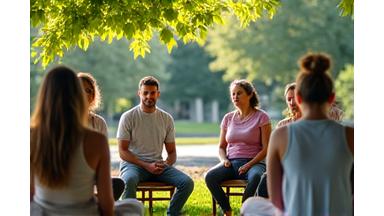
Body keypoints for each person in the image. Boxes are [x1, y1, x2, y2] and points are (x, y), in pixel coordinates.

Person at [30, 65, 144, 216]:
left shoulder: (31, 136)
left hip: (43, 211)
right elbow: (106, 204)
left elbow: (30, 194)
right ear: (76, 95)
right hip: (82, 211)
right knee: (134, 206)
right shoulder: (97, 140)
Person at [263, 53, 353, 215]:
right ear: (331, 98)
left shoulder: (280, 136)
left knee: (250, 205)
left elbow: (276, 200)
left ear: (297, 98)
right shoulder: (350, 135)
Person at [117, 76, 194, 216]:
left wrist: (164, 164)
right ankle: (128, 214)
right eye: (145, 92)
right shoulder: (128, 117)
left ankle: (172, 213)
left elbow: (172, 153)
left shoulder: (166, 119)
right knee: (128, 180)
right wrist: (146, 165)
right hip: (133, 165)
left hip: (158, 166)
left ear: (158, 94)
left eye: (152, 93)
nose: (149, 96)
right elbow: (122, 151)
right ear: (139, 93)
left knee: (187, 183)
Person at [255, 82, 345, 198]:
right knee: (265, 179)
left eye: (295, 98)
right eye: (289, 99)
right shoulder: (283, 125)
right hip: (287, 166)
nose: (292, 102)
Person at [205, 79, 272, 216]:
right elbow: (221, 147)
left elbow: (266, 149)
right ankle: (227, 211)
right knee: (210, 176)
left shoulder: (262, 117)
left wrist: (249, 165)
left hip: (254, 163)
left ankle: (244, 211)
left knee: (256, 177)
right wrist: (224, 160)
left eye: (239, 93)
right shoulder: (228, 118)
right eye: (233, 94)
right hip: (231, 163)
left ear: (250, 95)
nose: (235, 97)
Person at [78, 72, 125, 201]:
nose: (84, 93)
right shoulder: (62, 120)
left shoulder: (98, 122)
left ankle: (91, 202)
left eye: (88, 90)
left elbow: (104, 156)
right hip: (69, 175)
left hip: (93, 173)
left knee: (118, 184)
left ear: (93, 96)